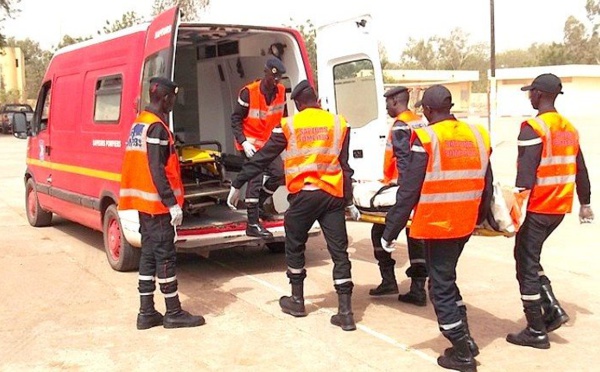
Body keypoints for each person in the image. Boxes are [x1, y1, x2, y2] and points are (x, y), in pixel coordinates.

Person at [227, 80, 362, 331]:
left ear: (298, 105)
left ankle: (297, 300)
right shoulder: (339, 123)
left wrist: (238, 183)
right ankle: (346, 312)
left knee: (294, 245)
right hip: (332, 196)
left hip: (304, 196)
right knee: (339, 253)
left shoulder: (288, 125)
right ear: (318, 102)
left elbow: (262, 158)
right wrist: (350, 200)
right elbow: (345, 166)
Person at [381, 85, 493, 371]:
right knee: (447, 278)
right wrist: (481, 217)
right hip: (465, 222)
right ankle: (465, 338)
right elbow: (487, 182)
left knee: (440, 288)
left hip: (438, 223)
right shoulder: (477, 134)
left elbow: (409, 190)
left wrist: (390, 230)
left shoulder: (428, 137)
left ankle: (461, 351)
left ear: (428, 110)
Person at [506, 73, 593, 349]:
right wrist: (585, 202)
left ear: (540, 94)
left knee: (526, 265)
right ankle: (552, 309)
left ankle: (536, 328)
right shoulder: (568, 128)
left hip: (538, 207)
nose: (529, 96)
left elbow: (525, 178)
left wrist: (512, 214)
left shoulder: (534, 128)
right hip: (559, 208)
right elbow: (581, 169)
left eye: (531, 92)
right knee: (528, 257)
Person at [119, 77, 205, 330]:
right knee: (165, 257)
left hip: (144, 205)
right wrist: (172, 204)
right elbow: (157, 169)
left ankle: (146, 312)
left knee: (148, 256)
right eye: (173, 98)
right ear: (166, 98)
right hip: (157, 206)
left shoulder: (140, 124)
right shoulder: (156, 127)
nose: (173, 103)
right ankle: (173, 312)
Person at [369, 86, 428, 307]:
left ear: (395, 101)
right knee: (416, 238)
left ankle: (388, 280)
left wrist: (404, 196)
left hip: (402, 190)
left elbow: (404, 161)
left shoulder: (401, 125)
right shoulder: (420, 121)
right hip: (419, 188)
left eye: (387, 102)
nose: (386, 107)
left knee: (379, 231)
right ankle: (418, 288)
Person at [231, 57, 287, 238]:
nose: (276, 81)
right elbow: (236, 120)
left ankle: (260, 205)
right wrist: (244, 141)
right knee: (255, 179)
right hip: (250, 144)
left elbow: (282, 118)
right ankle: (252, 223)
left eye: (279, 78)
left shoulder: (281, 91)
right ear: (265, 73)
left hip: (269, 145)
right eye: (274, 77)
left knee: (279, 174)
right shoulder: (248, 92)